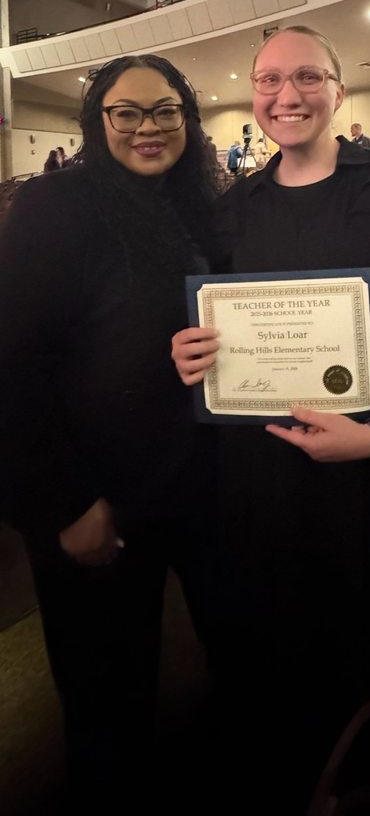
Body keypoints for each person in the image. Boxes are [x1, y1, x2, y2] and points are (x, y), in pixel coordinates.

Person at [172, 26, 370, 813]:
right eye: (268, 81)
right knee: (293, 663)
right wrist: (194, 354)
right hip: (273, 491)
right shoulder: (233, 210)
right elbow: (225, 333)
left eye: (306, 77)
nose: (285, 96)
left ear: (337, 88)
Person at [0, 54, 217, 810]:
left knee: (185, 675)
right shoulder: (54, 205)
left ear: (187, 118)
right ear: (98, 121)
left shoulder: (196, 203)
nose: (147, 127)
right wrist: (64, 502)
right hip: (96, 501)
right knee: (106, 702)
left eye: (165, 111)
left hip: (187, 483)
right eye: (126, 112)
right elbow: (12, 366)